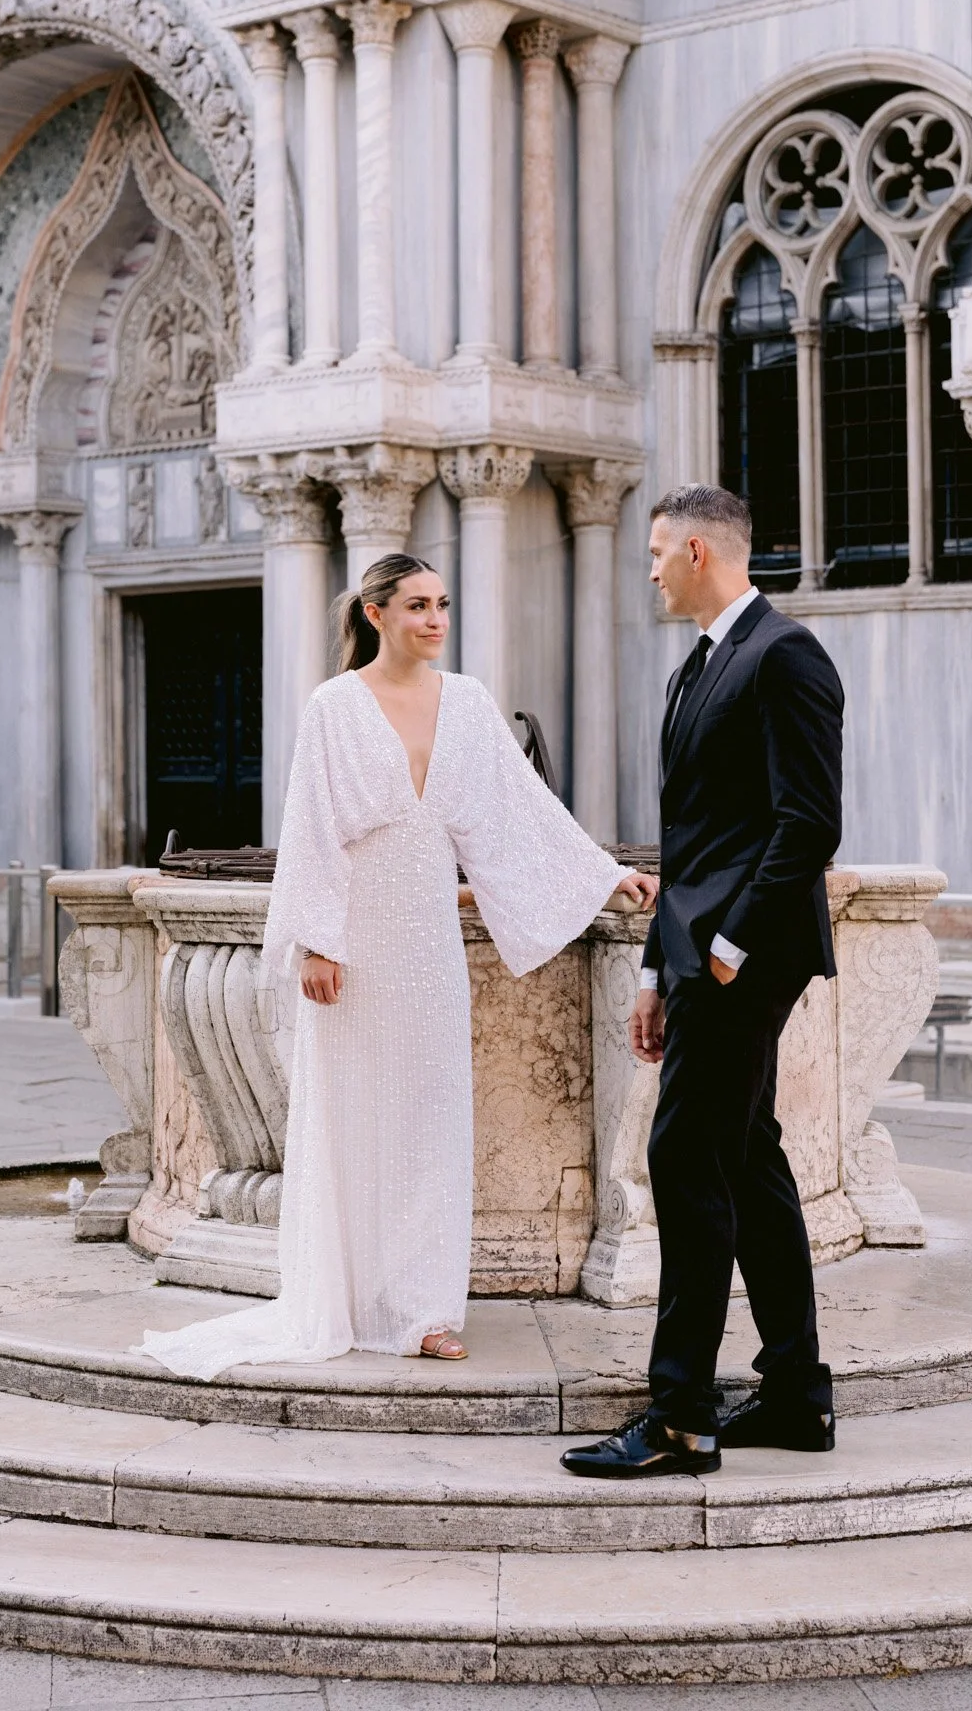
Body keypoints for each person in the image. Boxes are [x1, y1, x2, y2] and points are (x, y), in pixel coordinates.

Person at [138, 552, 657, 1377]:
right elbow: (310, 829)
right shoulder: (335, 706)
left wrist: (603, 876)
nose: (435, 619)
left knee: (430, 1125)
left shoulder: (470, 703)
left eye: (442, 604)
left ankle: (425, 1311)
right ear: (375, 614)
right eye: (417, 605)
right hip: (355, 944)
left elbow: (525, 811)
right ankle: (344, 1298)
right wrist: (318, 941)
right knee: (350, 1123)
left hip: (428, 948)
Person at [562, 483, 843, 1479]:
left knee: (683, 1157)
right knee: (746, 1157)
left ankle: (681, 1414)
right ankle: (797, 1394)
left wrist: (727, 950)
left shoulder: (786, 654)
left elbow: (809, 823)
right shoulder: (697, 667)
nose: (646, 570)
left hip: (745, 957)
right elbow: (689, 841)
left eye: (655, 552)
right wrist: (654, 967)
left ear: (696, 552)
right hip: (696, 953)